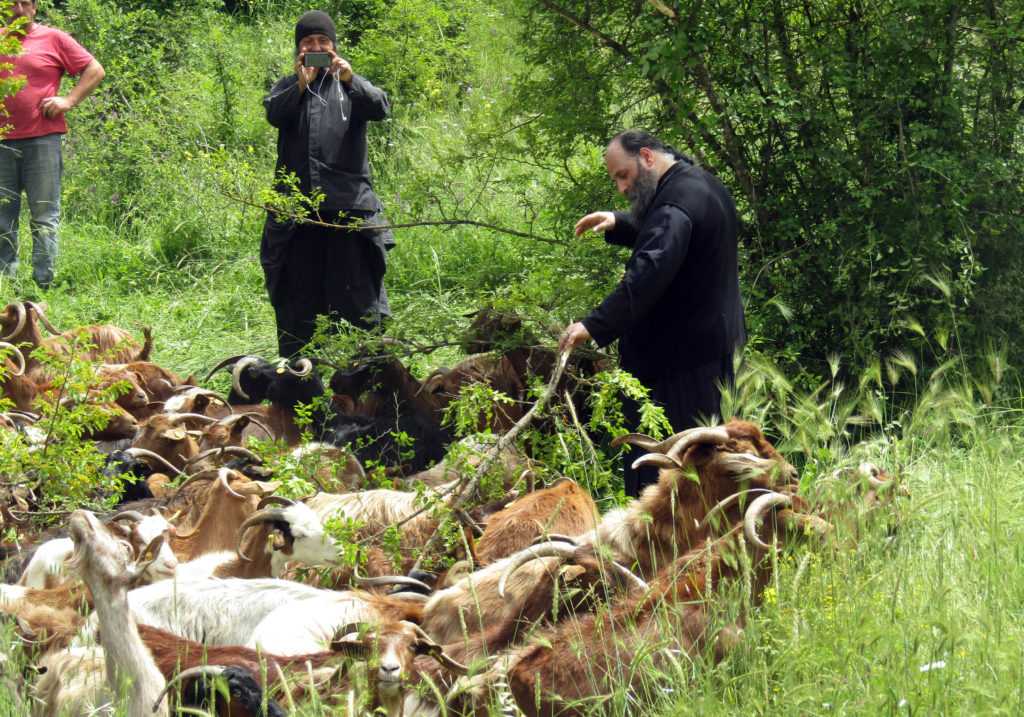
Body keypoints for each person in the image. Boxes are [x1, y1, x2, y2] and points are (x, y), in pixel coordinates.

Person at [558, 130, 746, 497]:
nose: (621, 188)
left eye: (623, 176)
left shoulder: (675, 206)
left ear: (646, 157)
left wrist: (593, 325)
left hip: (679, 367)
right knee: (706, 467)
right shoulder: (700, 185)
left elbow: (650, 270)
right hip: (712, 350)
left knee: (670, 477)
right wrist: (618, 221)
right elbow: (671, 231)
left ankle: (657, 550)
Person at [260, 9, 394, 359]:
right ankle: (305, 379)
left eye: (323, 42)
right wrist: (302, 83)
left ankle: (365, 376)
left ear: (334, 46)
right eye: (308, 42)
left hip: (349, 208)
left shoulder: (350, 84)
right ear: (298, 50)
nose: (316, 47)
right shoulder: (288, 87)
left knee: (357, 295)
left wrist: (351, 79)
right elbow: (275, 114)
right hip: (298, 215)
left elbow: (380, 107)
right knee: (300, 297)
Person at [0, 0, 105, 288]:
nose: (18, 9)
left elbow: (95, 69)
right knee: (1, 217)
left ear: (34, 8)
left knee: (44, 214)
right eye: (12, 3)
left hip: (42, 141)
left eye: (25, 3)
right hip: (1, 143)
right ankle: (4, 283)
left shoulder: (53, 38)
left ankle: (43, 283)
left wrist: (68, 100)